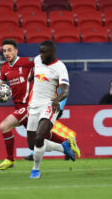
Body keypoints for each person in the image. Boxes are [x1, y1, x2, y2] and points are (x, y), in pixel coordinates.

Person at [0, 39, 73, 170]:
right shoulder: (4, 68)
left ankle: (10, 159)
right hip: (19, 106)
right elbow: (0, 84)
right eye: (4, 51)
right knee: (37, 140)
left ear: (16, 51)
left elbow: (45, 64)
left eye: (9, 50)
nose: (7, 53)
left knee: (4, 126)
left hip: (28, 105)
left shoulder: (27, 62)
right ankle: (65, 143)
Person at [27, 40, 81, 179]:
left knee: (40, 137)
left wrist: (57, 100)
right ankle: (64, 147)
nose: (40, 55)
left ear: (52, 53)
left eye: (43, 52)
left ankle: (35, 170)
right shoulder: (38, 60)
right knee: (32, 145)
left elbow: (66, 90)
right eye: (40, 51)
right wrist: (31, 76)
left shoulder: (60, 67)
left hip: (50, 104)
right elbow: (33, 69)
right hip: (34, 105)